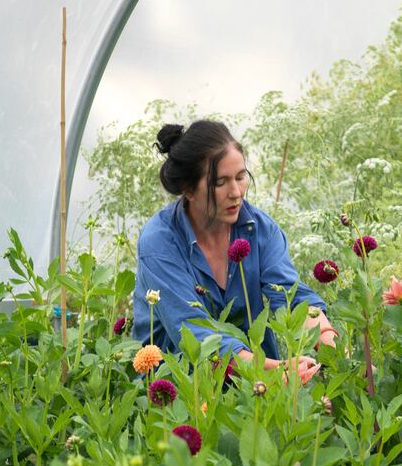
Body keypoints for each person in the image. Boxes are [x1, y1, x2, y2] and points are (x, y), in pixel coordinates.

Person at [133, 120, 337, 373]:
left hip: (258, 382)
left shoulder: (259, 228)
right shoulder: (160, 242)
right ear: (189, 190)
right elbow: (194, 336)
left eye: (241, 177)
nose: (236, 192)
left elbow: (290, 296)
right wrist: (278, 369)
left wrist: (333, 348)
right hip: (179, 391)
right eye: (220, 183)